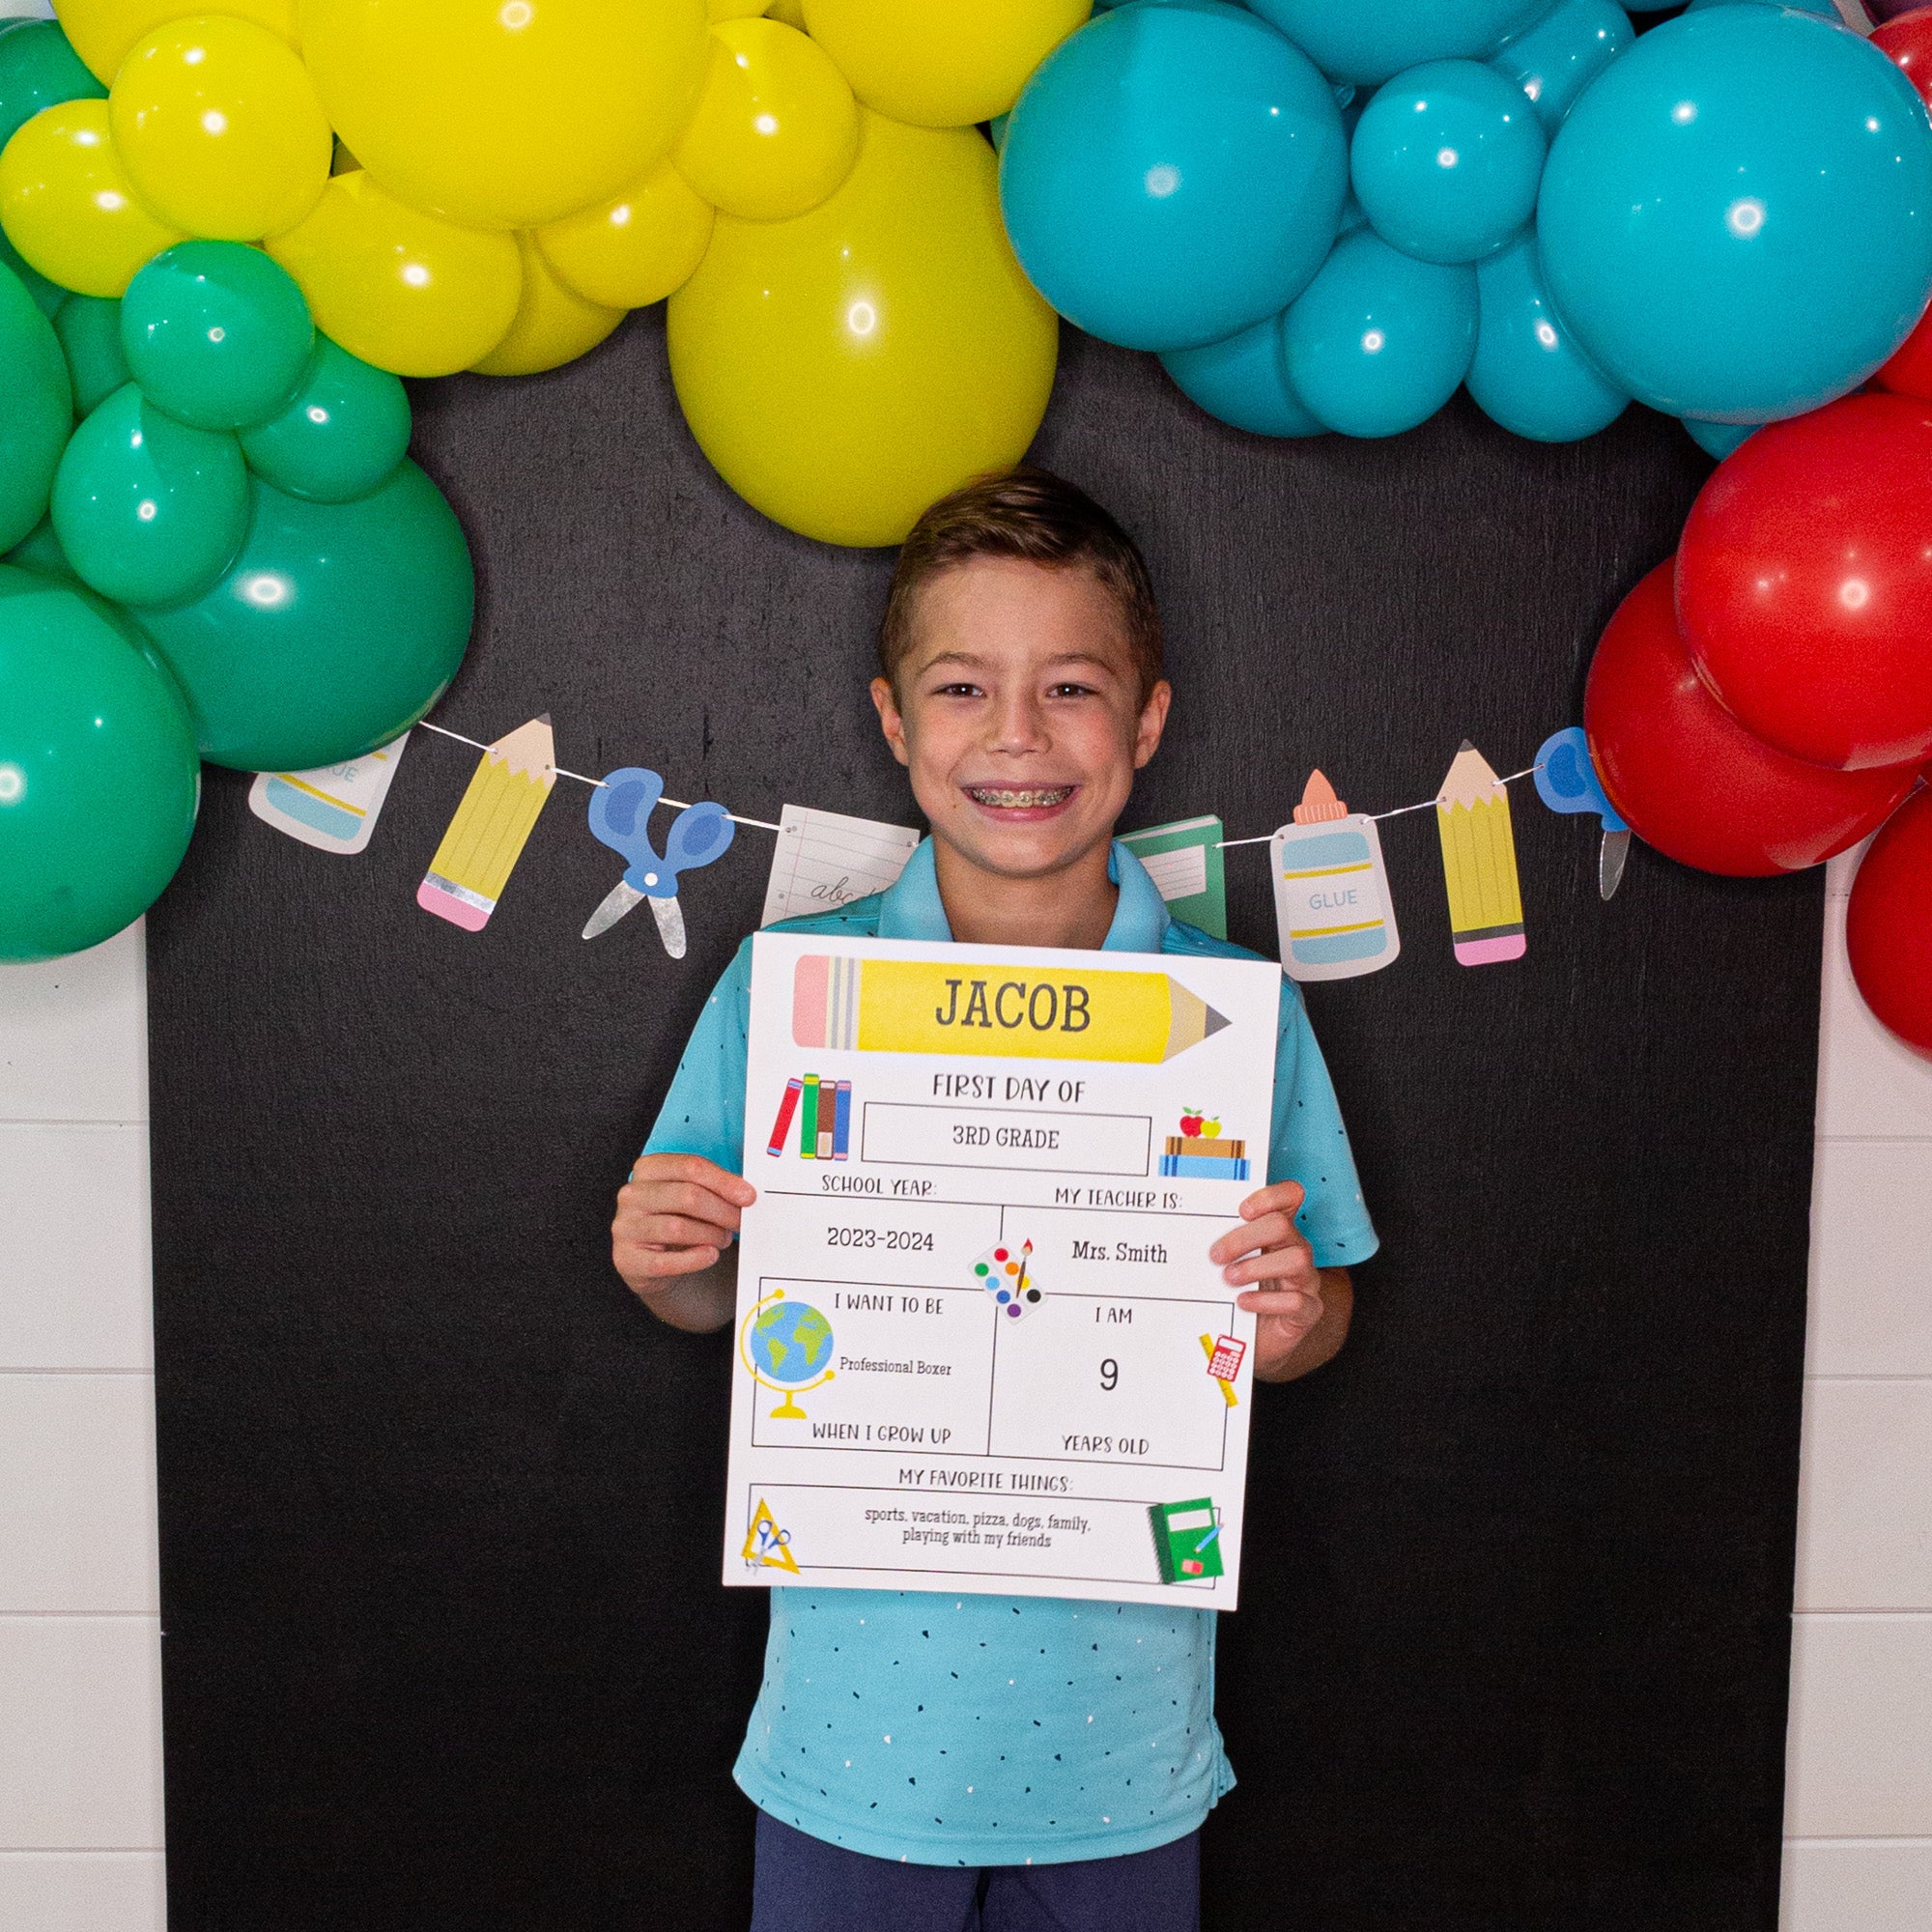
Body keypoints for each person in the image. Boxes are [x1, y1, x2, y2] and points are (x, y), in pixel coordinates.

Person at [611, 467, 1378, 1931]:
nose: (1017, 736)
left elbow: (1324, 1307)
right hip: (846, 1746)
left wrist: (1294, 1318)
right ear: (895, 722)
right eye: (964, 687)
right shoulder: (791, 992)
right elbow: (726, 1293)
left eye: (1072, 688)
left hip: (1125, 1752)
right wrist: (669, 1261)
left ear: (1147, 723)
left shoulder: (1231, 1010)